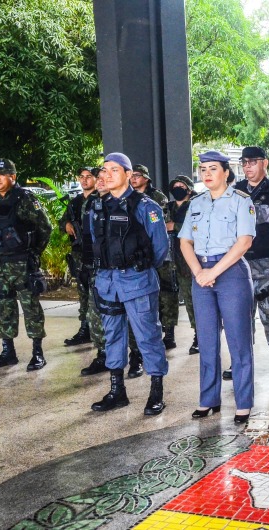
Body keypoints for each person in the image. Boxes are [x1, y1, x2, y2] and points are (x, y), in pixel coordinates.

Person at [178, 150, 256, 425]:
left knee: (239, 341)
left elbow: (244, 241)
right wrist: (200, 272)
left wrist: (214, 271)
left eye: (213, 168)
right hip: (202, 276)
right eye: (203, 169)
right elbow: (185, 242)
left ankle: (243, 403)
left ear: (226, 172)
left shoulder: (240, 202)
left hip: (231, 273)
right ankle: (208, 399)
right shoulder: (196, 203)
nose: (207, 174)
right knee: (207, 341)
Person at [89, 153, 170, 415]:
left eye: (115, 169)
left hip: (137, 281)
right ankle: (117, 391)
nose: (108, 174)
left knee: (148, 336)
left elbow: (160, 248)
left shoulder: (147, 207)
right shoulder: (98, 207)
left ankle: (156, 391)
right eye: (105, 170)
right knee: (112, 335)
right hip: (107, 282)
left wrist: (138, 269)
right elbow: (95, 241)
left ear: (128, 174)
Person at [230, 146, 269, 384]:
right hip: (240, 262)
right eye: (244, 163)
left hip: (267, 262)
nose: (247, 167)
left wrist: (256, 210)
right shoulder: (235, 190)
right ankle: (240, 361)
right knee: (239, 315)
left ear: (264, 163)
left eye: (252, 162)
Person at [0, 159, 52, 371]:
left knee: (30, 307)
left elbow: (45, 228)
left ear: (12, 177)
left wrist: (33, 253)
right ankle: (8, 352)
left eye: (1, 174)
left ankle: (37, 353)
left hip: (22, 263)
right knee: (3, 307)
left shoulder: (26, 199)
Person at [128, 164, 175, 378]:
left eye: (137, 176)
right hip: (131, 268)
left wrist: (152, 263)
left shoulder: (155, 199)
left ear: (146, 178)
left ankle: (169, 332)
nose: (134, 179)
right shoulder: (120, 200)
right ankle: (135, 357)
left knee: (165, 296)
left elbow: (162, 232)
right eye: (132, 175)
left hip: (156, 260)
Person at [60, 167, 97, 347]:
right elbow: (62, 221)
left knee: (97, 294)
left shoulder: (100, 199)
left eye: (89, 177)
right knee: (82, 291)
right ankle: (85, 328)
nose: (84, 180)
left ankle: (99, 331)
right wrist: (66, 223)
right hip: (78, 254)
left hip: (95, 255)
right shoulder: (74, 202)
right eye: (81, 177)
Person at [78, 167, 109, 376]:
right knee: (95, 313)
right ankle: (102, 355)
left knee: (130, 318)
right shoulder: (89, 203)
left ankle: (135, 356)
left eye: (102, 177)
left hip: (122, 270)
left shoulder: (127, 202)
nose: (99, 181)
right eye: (96, 178)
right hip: (95, 268)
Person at [166, 175, 199, 354]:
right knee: (168, 299)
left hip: (190, 261)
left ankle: (199, 336)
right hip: (170, 261)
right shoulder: (168, 207)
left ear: (189, 188)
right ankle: (169, 334)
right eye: (175, 185)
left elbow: (198, 227)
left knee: (193, 300)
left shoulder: (196, 204)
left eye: (181, 185)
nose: (177, 188)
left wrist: (175, 226)